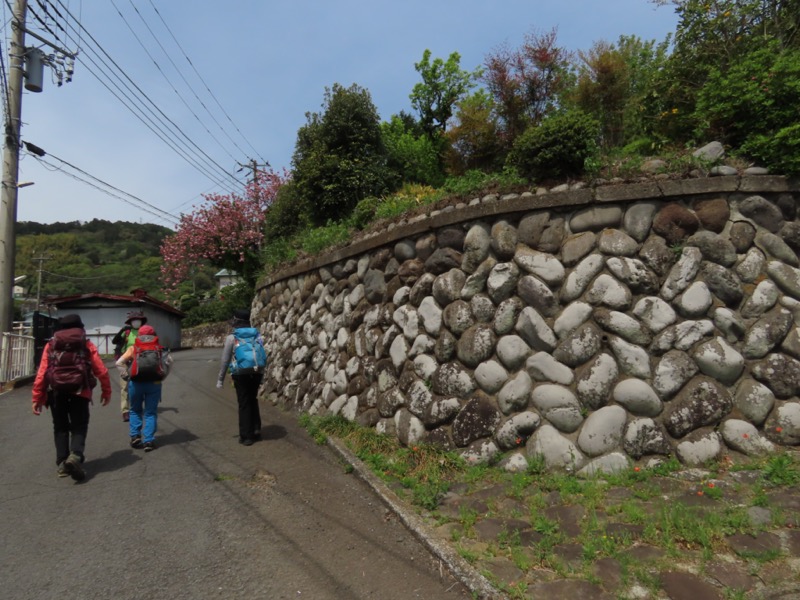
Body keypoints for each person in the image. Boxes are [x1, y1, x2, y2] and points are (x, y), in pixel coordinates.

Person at [31, 313, 112, 482]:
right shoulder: (86, 344)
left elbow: (42, 373)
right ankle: (75, 455)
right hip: (80, 391)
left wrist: (37, 397)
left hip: (56, 392)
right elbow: (101, 370)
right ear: (80, 327)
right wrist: (106, 391)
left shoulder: (51, 345)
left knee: (60, 427)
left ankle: (62, 464)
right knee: (79, 425)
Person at [116, 324, 172, 452]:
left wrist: (126, 375)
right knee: (150, 412)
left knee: (135, 410)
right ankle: (149, 440)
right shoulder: (160, 348)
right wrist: (163, 377)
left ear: (139, 335)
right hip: (155, 383)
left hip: (136, 383)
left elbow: (118, 363)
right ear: (154, 335)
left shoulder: (133, 347)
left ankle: (135, 436)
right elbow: (169, 362)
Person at [217, 309, 266, 446]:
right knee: (252, 399)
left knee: (244, 403)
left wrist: (220, 379)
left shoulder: (232, 338)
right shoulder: (257, 335)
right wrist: (261, 375)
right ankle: (256, 429)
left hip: (240, 374)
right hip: (256, 373)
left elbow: (225, 360)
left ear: (236, 321)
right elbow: (261, 355)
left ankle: (246, 436)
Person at [112, 310, 147, 422]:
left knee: (140, 385)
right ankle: (125, 411)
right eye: (134, 320)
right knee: (125, 386)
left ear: (142, 321)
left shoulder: (145, 332)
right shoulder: (126, 332)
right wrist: (122, 330)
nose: (136, 322)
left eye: (138, 320)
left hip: (141, 362)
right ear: (130, 322)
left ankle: (137, 407)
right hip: (125, 361)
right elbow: (114, 341)